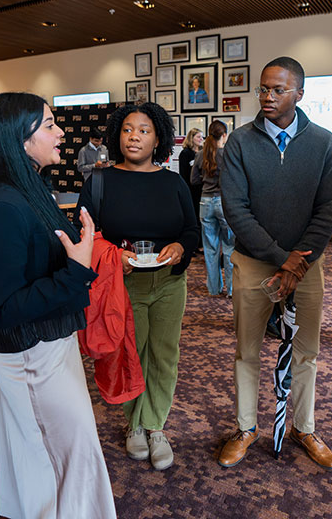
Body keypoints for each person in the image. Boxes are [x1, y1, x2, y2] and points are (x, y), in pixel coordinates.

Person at [0, 92, 116, 519]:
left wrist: (78, 257)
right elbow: (2, 308)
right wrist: (77, 270)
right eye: (49, 125)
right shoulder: (2, 207)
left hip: (48, 344)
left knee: (49, 455)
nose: (61, 132)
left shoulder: (27, 189)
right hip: (32, 354)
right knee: (67, 456)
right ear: (19, 138)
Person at [218, 57, 332, 471]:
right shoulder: (239, 142)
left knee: (306, 351)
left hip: (306, 266)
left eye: (278, 90)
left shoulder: (324, 143)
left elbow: (327, 212)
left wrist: (295, 264)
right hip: (254, 262)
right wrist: (278, 257)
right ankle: (246, 427)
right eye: (263, 89)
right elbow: (235, 209)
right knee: (246, 351)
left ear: (300, 94)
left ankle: (303, 427)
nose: (268, 97)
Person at [77, 102, 200, 471]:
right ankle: (134, 424)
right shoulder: (99, 181)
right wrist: (115, 255)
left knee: (164, 355)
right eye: (128, 129)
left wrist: (181, 246)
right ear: (117, 134)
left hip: (168, 283)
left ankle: (155, 426)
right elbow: (83, 235)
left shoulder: (173, 182)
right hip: (121, 282)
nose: (134, 136)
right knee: (130, 353)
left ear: (158, 138)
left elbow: (191, 230)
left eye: (144, 130)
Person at [191, 120, 234, 296]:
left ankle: (214, 289)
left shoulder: (200, 155)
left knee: (210, 249)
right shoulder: (228, 154)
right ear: (224, 135)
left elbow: (193, 180)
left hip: (205, 203)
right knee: (230, 247)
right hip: (224, 203)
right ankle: (231, 289)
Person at [177, 128, 203, 238]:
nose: (201, 139)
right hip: (191, 191)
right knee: (194, 217)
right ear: (191, 138)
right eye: (198, 137)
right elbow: (183, 174)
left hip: (202, 190)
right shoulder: (185, 153)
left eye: (202, 136)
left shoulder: (203, 153)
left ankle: (202, 243)